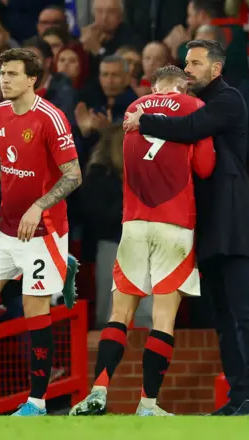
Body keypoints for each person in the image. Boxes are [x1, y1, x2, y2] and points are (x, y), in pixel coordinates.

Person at [123, 40, 249, 416]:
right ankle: (239, 397)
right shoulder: (193, 104)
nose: (187, 69)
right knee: (221, 315)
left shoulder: (228, 99)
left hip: (234, 219)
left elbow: (192, 129)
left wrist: (144, 119)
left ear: (216, 69)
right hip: (205, 221)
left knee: (243, 310)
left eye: (196, 63)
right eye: (186, 62)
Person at [70, 65, 216, 417]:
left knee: (120, 314)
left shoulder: (132, 111)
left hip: (134, 224)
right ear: (183, 86)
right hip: (175, 224)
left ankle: (98, 391)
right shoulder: (194, 109)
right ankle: (148, 404)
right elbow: (206, 167)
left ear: (153, 88)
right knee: (163, 318)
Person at [0, 48, 82, 417]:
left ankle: (36, 402)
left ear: (32, 79)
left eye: (12, 74)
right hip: (5, 228)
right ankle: (57, 269)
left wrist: (39, 205)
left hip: (42, 231)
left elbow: (74, 175)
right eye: (2, 73)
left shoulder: (51, 117)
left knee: (35, 310)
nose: (4, 80)